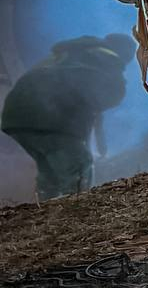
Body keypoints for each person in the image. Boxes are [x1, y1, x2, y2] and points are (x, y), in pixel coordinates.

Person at [0, 33, 134, 200]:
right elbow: (106, 95)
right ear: (124, 52)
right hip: (47, 118)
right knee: (79, 166)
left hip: (16, 115)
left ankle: (45, 214)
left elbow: (89, 102)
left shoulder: (70, 53)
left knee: (50, 172)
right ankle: (79, 213)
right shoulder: (105, 58)